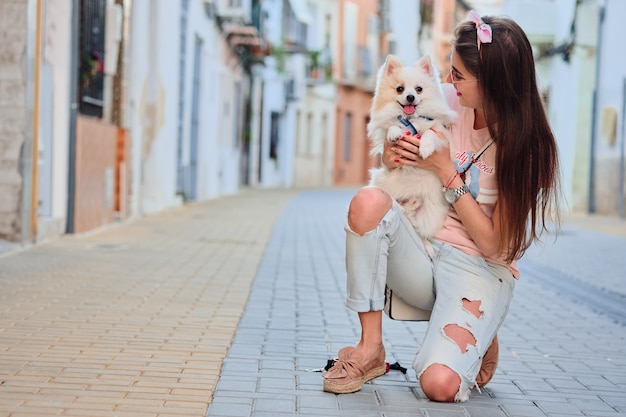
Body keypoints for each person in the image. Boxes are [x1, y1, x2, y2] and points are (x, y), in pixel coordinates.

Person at [322, 11, 560, 402]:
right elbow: (388, 161)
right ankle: (370, 348)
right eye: (450, 72)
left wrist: (448, 173)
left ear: (495, 84)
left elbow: (496, 247)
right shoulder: (444, 100)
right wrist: (393, 154)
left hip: (480, 266)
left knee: (440, 387)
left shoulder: (527, 148)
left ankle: (477, 328)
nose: (449, 82)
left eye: (460, 76)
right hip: (423, 245)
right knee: (368, 202)